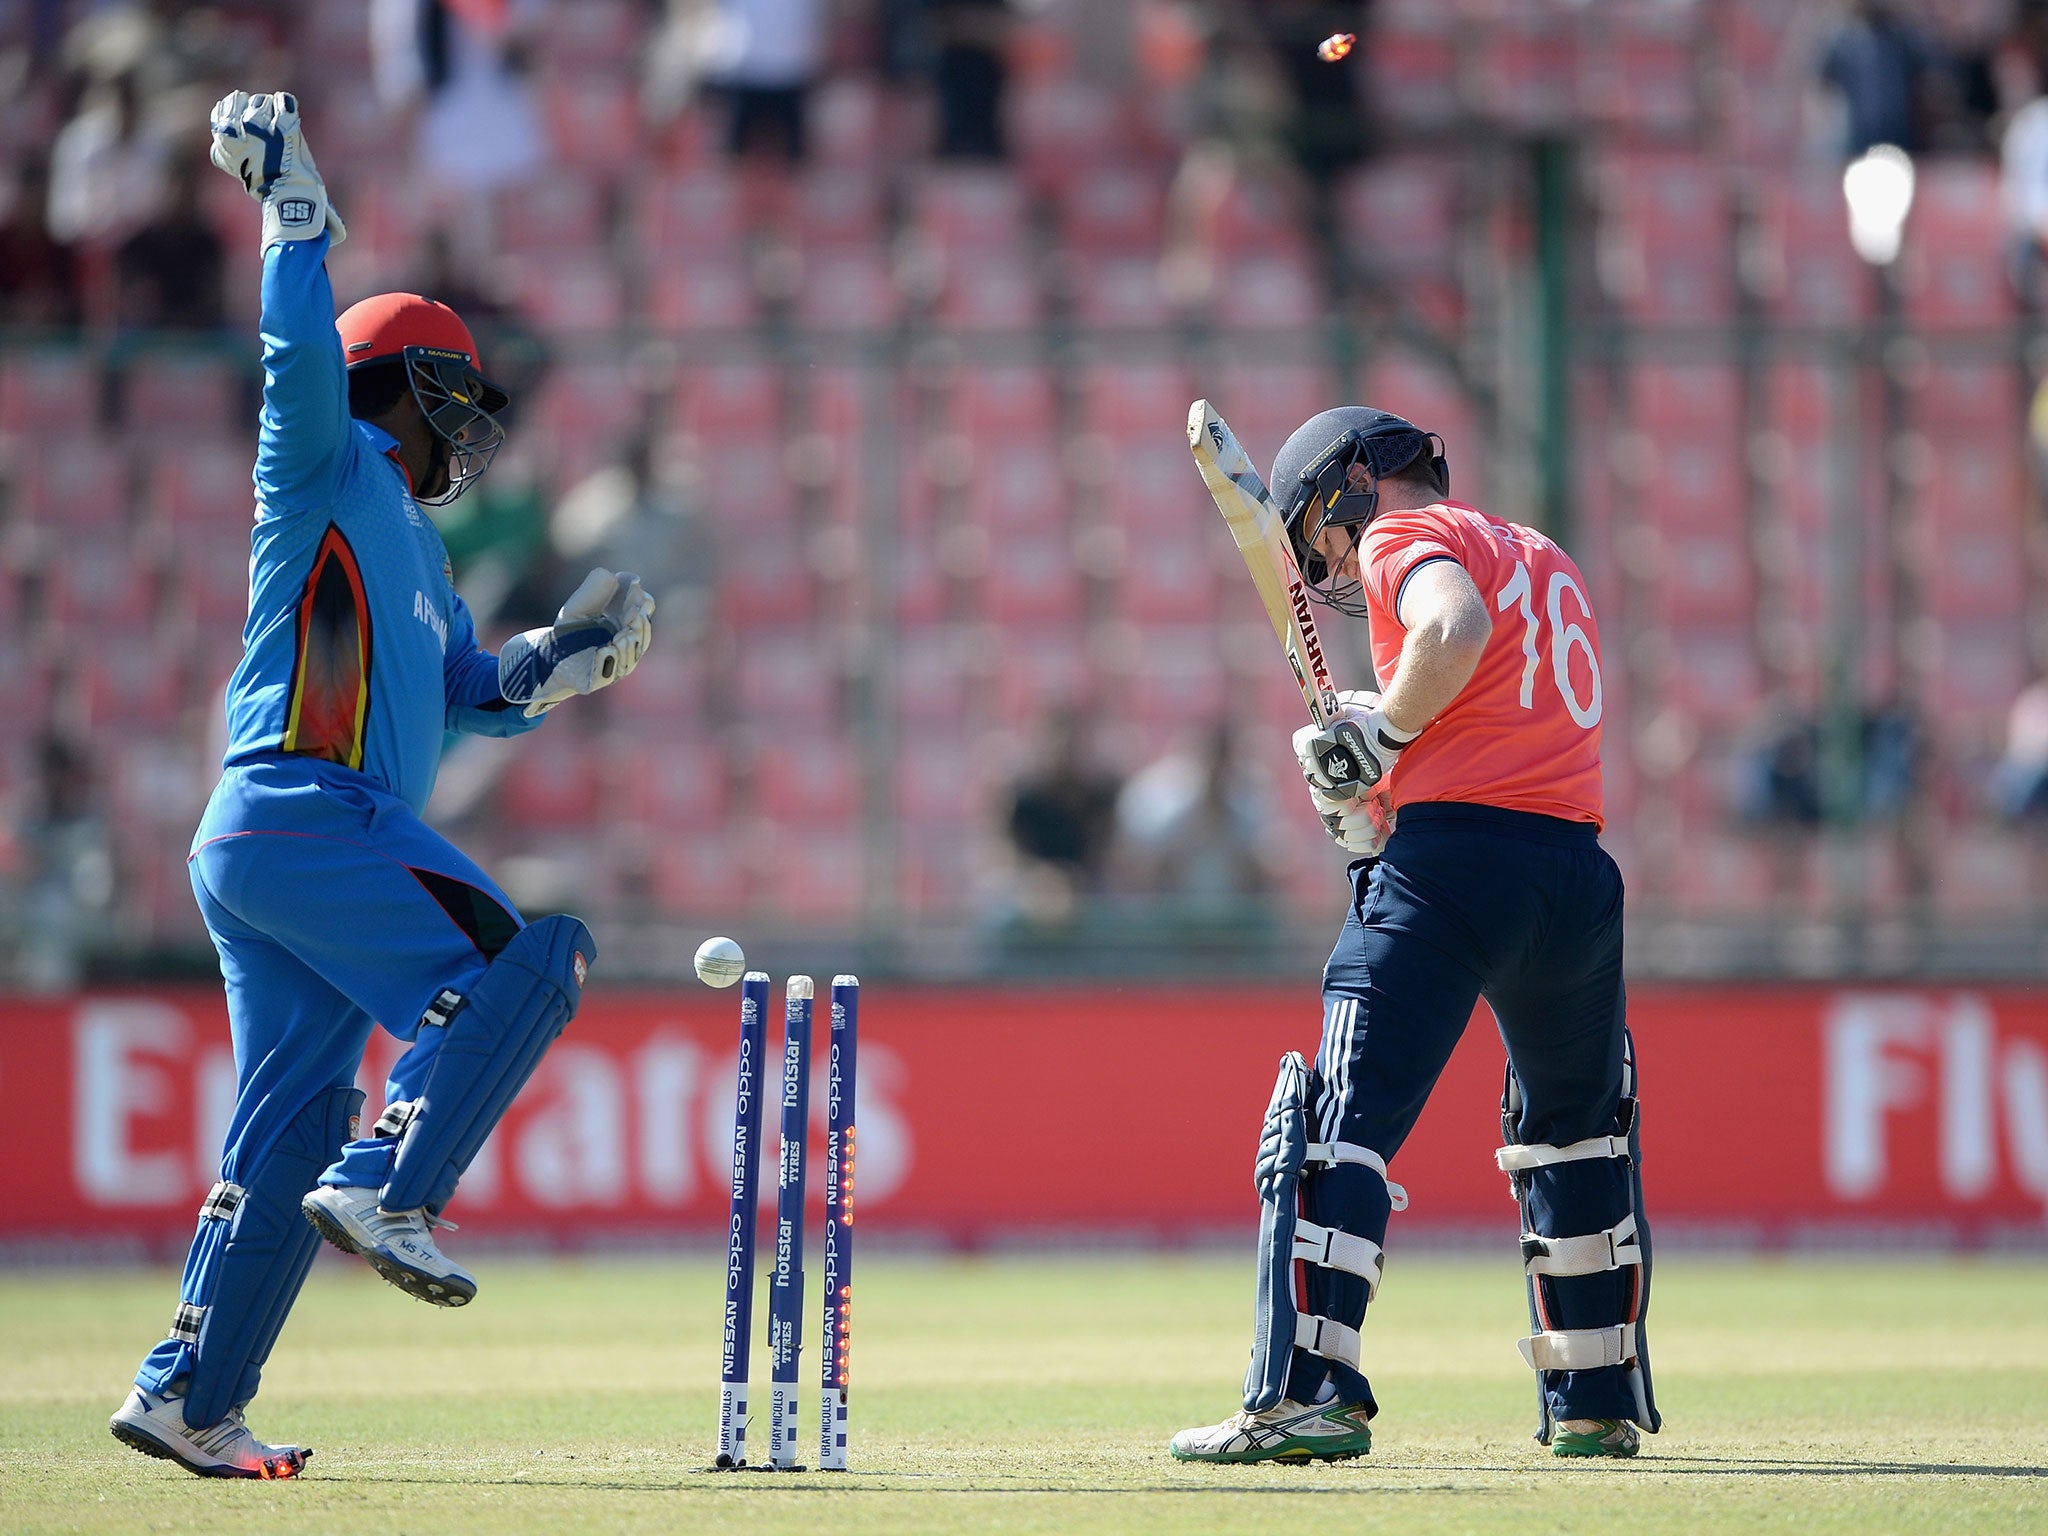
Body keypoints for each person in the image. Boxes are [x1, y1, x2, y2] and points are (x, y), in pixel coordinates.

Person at [108, 92, 656, 1480]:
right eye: (454, 396)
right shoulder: (325, 461)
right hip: (308, 814)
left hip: (286, 841)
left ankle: (189, 1397)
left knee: (292, 1125)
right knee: (535, 958)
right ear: (399, 388)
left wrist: (568, 661)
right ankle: (394, 1189)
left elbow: (473, 686)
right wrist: (296, 222)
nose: (469, 428)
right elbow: (294, 362)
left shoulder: (410, 543)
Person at [1170, 407, 1659, 1463]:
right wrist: (1379, 767)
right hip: (1573, 877)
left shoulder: (1400, 537)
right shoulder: (1537, 551)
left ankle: (1305, 1394)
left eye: (1321, 535)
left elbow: (1450, 634)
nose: (1332, 562)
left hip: (1451, 872)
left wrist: (1383, 735)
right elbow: (1501, 712)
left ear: (1354, 486)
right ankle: (1594, 1400)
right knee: (1571, 1131)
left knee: (1337, 1119)